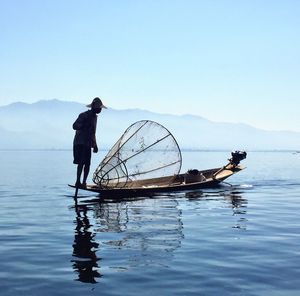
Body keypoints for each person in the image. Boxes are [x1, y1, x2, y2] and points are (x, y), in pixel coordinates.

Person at [73, 97, 107, 188]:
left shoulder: (95, 118)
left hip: (88, 143)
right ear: (94, 107)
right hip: (80, 143)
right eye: (99, 108)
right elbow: (74, 126)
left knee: (87, 163)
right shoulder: (83, 115)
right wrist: (84, 125)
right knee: (81, 162)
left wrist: (95, 145)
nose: (100, 110)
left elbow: (93, 132)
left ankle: (84, 182)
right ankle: (78, 181)